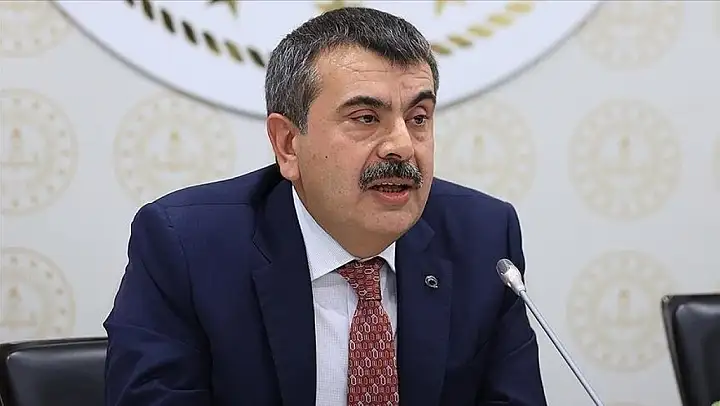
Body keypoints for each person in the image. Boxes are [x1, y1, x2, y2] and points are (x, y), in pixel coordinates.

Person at [103, 6, 547, 406]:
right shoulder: (185, 248)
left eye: (418, 118)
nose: (402, 146)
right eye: (366, 118)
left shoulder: (484, 239)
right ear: (287, 144)